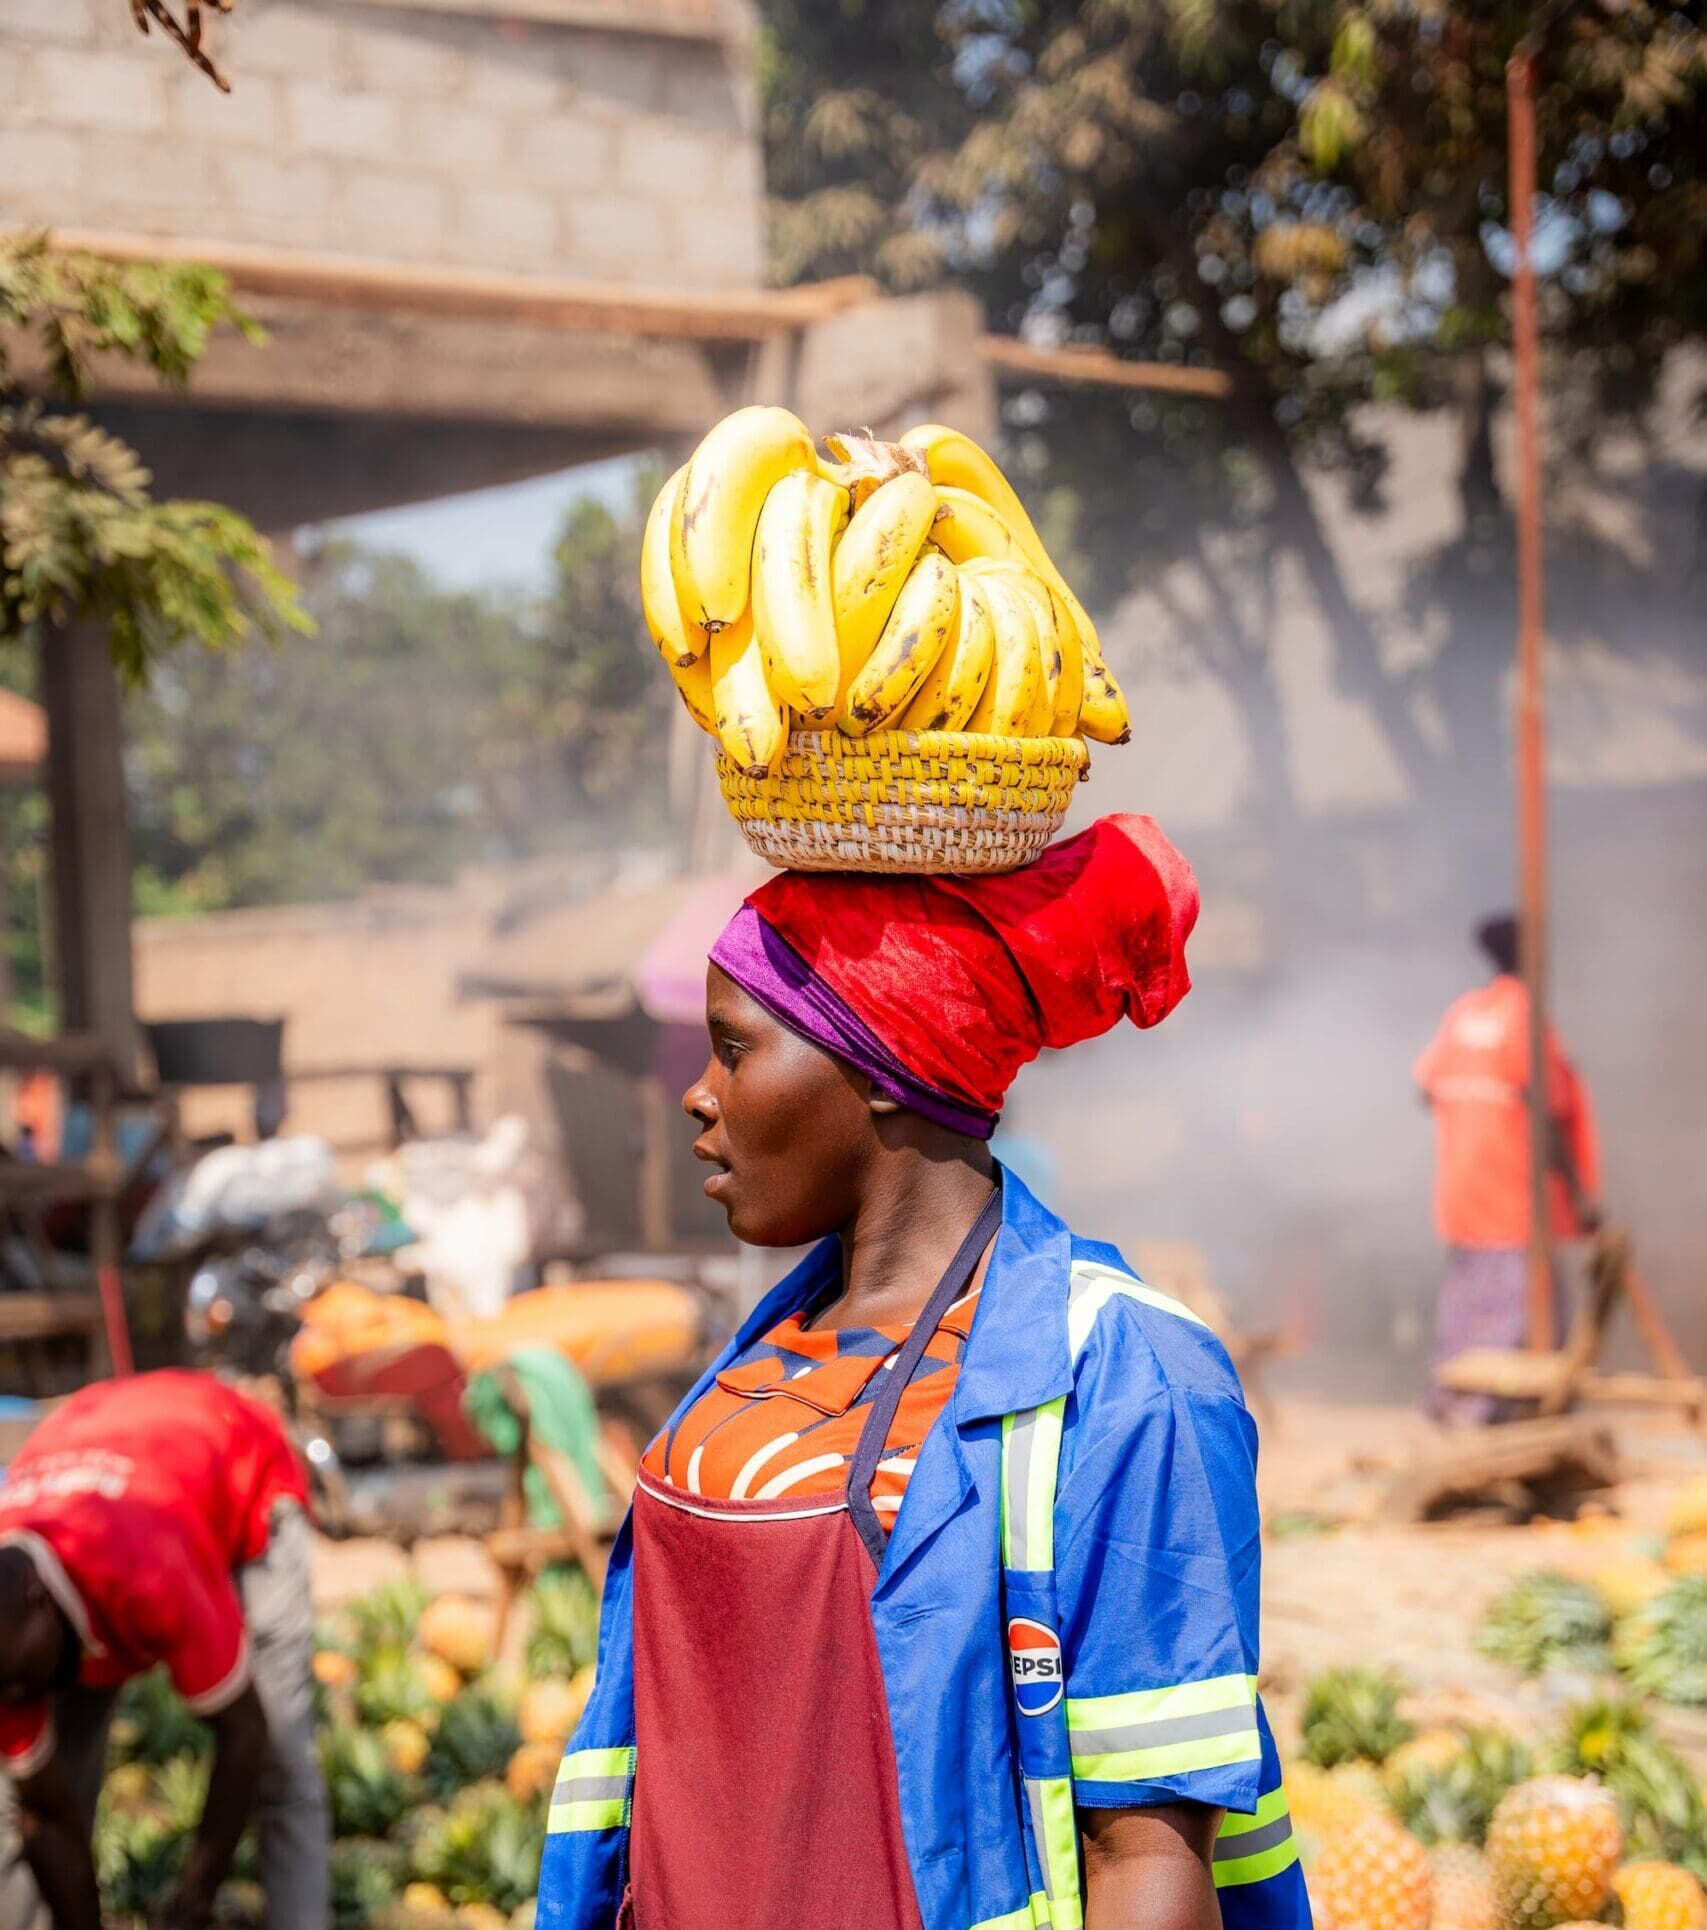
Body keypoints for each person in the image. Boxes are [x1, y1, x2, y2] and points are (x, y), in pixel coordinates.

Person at [538, 814, 1309, 1930]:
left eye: (735, 1049)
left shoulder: (1120, 1375)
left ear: (879, 1069)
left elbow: (1145, 1857)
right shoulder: (771, 1347)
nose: (697, 1094)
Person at [0, 1370, 329, 1930]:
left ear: (39, 1600)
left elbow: (243, 1730)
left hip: (243, 1478)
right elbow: (44, 1817)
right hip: (107, 1449)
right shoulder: (9, 1650)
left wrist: (190, 1904)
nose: (17, 1698)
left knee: (281, 1760)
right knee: (34, 1792)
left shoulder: (149, 1574)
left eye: (17, 1681)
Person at [1415, 914, 1602, 1424]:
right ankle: (1493, 1416)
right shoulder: (1525, 1017)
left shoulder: (1464, 1013)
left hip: (1463, 1188)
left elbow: (1425, 1088)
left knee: (1469, 1305)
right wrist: (1579, 1194)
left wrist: (1476, 1110)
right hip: (1513, 1194)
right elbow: (1549, 1113)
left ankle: (1452, 1404)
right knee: (1523, 1312)